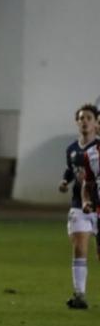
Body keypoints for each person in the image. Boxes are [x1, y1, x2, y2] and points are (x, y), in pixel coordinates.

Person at [58, 104, 99, 309]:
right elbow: (73, 172)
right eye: (81, 118)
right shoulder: (73, 150)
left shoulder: (97, 150)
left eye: (89, 118)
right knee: (80, 247)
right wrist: (66, 182)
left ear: (96, 123)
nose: (84, 121)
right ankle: (80, 294)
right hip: (80, 207)